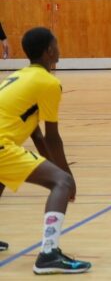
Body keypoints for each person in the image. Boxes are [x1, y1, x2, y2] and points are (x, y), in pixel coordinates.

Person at [0, 27, 91, 274]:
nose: (59, 48)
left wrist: (51, 166)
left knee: (1, 179)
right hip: (1, 145)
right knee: (59, 183)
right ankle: (48, 254)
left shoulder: (20, 75)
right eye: (57, 43)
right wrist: (67, 178)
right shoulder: (49, 82)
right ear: (49, 51)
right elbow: (53, 137)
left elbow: (36, 133)